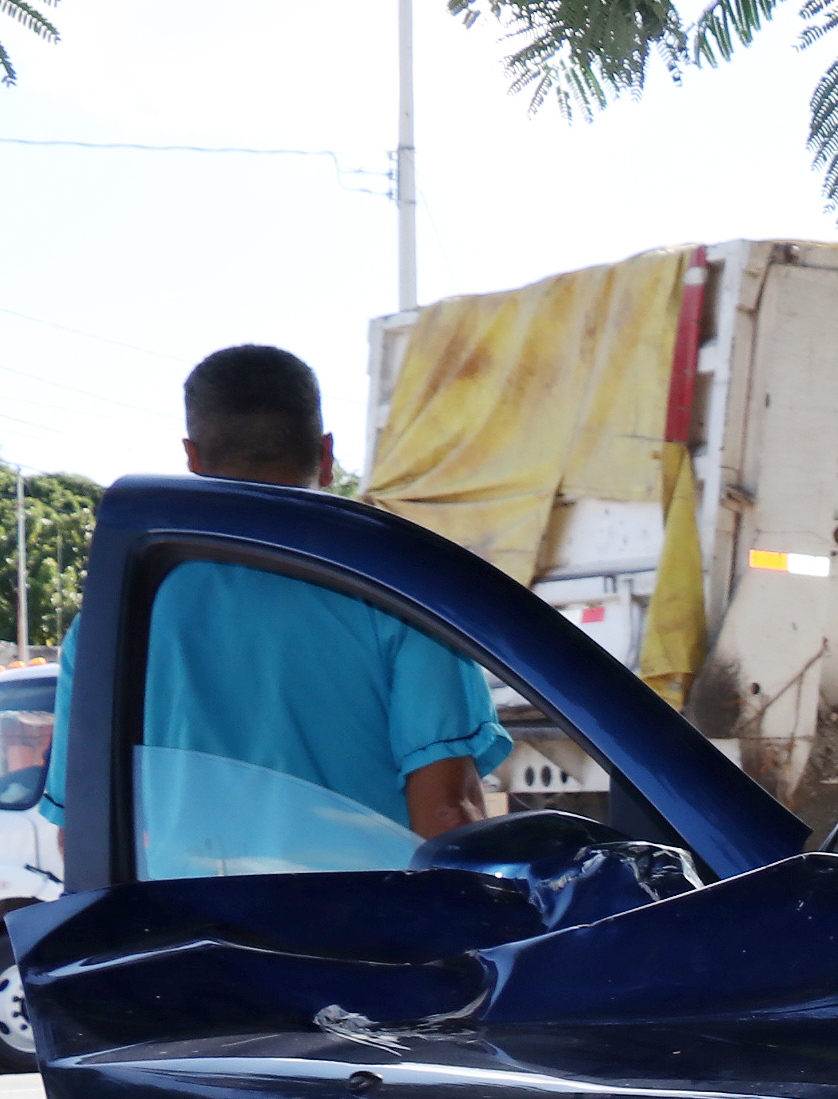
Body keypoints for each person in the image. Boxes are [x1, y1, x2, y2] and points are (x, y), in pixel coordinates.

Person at [48, 346, 512, 868]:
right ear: (327, 454)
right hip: (366, 941)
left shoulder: (109, 626)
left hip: (185, 944)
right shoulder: (400, 596)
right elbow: (446, 816)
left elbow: (82, 838)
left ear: (193, 458)